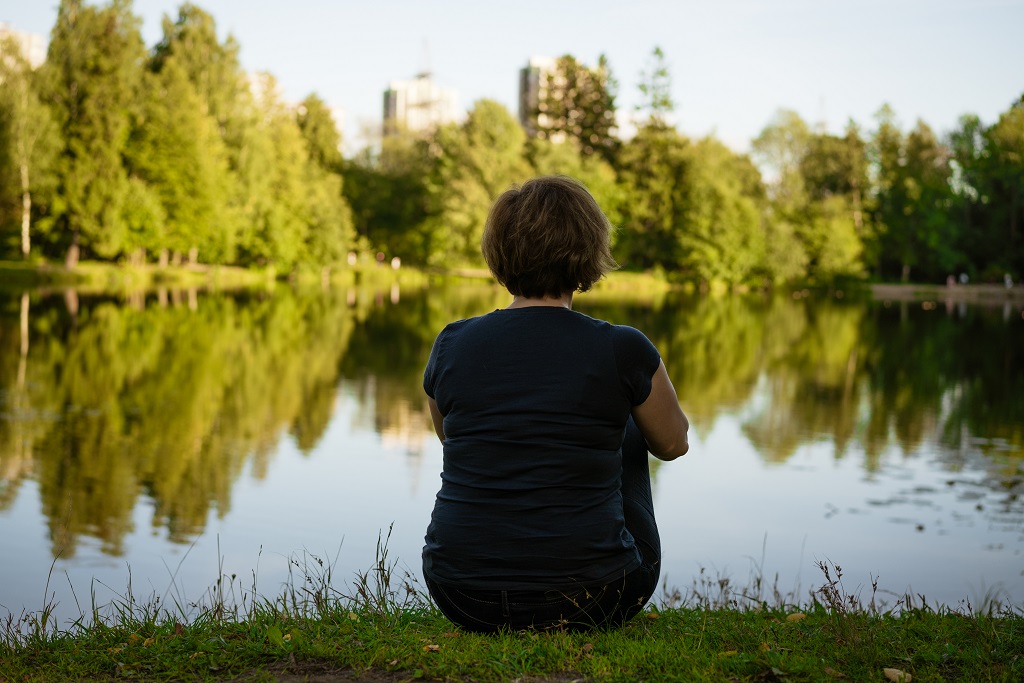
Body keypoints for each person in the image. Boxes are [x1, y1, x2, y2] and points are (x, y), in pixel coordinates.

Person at [422, 175, 690, 632]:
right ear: (589, 249)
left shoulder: (452, 343)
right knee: (625, 419)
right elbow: (672, 444)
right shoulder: (623, 348)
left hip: (462, 595)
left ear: (499, 251)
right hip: (594, 597)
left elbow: (449, 435)